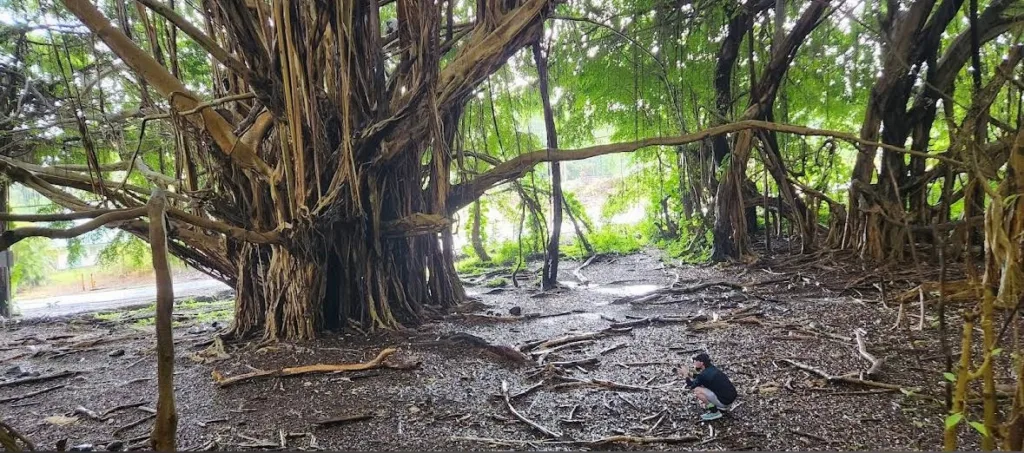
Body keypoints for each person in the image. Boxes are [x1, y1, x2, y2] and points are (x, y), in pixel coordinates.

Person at [676, 353, 737, 421]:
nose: (695, 363)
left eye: (696, 361)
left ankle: (714, 411)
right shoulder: (712, 368)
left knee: (697, 390)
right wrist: (688, 373)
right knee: (702, 386)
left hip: (724, 402)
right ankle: (719, 406)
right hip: (730, 399)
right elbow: (700, 378)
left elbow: (691, 385)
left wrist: (685, 375)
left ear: (701, 363)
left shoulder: (704, 375)